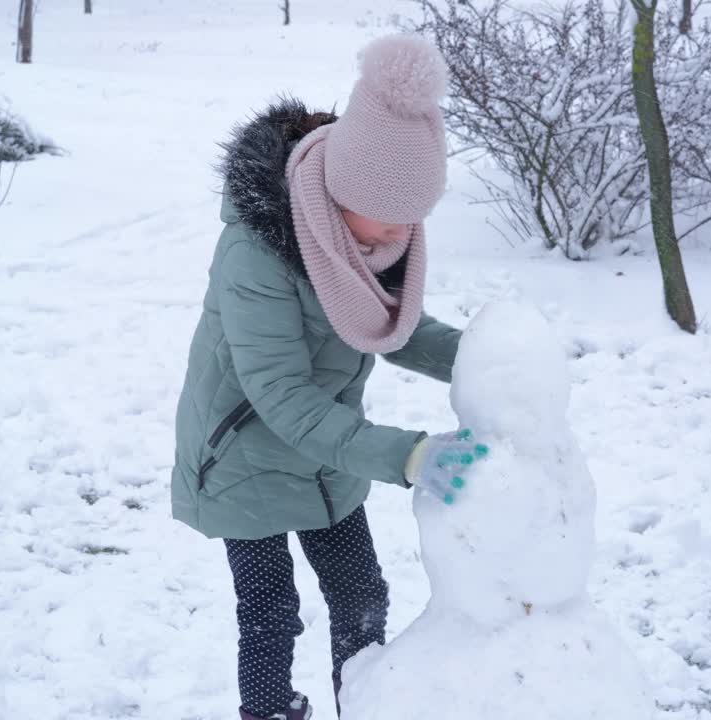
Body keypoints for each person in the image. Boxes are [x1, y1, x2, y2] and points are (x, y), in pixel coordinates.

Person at [170, 33, 489, 720]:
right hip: (243, 454)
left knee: (361, 595)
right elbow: (281, 395)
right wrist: (406, 455)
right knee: (270, 612)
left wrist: (487, 360)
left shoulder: (369, 235)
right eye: (371, 239)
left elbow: (386, 326)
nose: (383, 254)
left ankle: (363, 705)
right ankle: (270, 713)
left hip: (326, 457)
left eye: (400, 238)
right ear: (333, 201)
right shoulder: (254, 255)